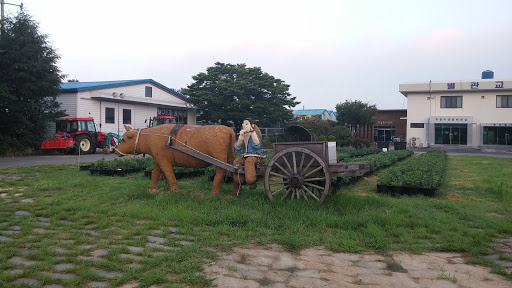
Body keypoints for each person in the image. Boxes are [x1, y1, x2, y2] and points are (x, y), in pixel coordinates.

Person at [233, 118, 266, 193]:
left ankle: (251, 181)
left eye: (246, 124)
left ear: (252, 125)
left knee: (249, 161)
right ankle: (240, 180)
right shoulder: (244, 135)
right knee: (236, 162)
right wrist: (241, 137)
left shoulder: (254, 134)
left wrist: (252, 133)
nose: (244, 125)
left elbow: (257, 145)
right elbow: (237, 147)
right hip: (246, 155)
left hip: (258, 157)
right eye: (243, 124)